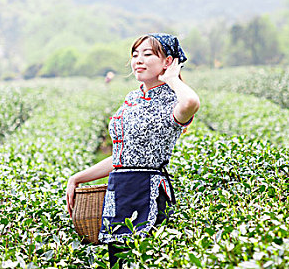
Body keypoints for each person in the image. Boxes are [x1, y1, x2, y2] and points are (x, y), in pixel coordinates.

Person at [66, 33, 200, 268]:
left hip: (147, 192)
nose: (138, 60)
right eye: (135, 55)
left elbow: (192, 104)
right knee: (118, 261)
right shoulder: (133, 98)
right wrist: (78, 178)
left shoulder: (173, 100)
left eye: (148, 54)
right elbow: (122, 157)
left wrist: (172, 79)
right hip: (119, 193)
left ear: (167, 61)